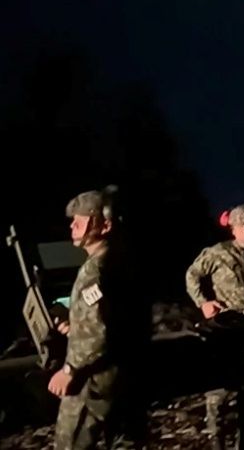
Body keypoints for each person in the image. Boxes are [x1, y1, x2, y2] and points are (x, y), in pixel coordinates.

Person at [48, 187, 148, 449]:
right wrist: (75, 328)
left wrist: (69, 369)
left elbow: (99, 333)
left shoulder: (96, 270)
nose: (73, 225)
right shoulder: (124, 261)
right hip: (124, 379)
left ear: (105, 226)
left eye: (80, 221)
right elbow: (115, 320)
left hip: (91, 383)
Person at [185, 203, 244, 449]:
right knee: (219, 387)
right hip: (225, 325)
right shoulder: (217, 253)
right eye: (243, 227)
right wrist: (204, 303)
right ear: (233, 228)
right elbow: (192, 275)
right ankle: (216, 439)